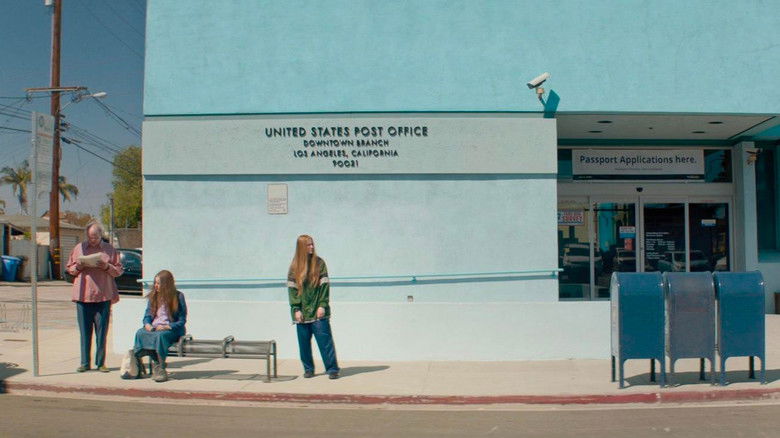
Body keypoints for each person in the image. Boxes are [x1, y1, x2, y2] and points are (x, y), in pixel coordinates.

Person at [66, 222, 123, 373]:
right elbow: (70, 269)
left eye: (96, 237)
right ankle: (84, 363)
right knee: (84, 332)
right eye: (90, 237)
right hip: (83, 296)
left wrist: (107, 266)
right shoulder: (79, 248)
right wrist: (79, 266)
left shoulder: (109, 249)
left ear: (101, 235)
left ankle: (101, 363)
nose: (93, 240)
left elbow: (118, 271)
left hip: (103, 296)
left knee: (101, 332)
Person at [288, 235, 340, 379]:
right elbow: (292, 290)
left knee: (325, 342)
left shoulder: (319, 263)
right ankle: (308, 369)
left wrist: (322, 305)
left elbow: (324, 286)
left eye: (312, 244)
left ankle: (332, 369)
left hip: (318, 311)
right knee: (304, 345)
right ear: (301, 247)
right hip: (302, 313)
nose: (312, 247)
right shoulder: (294, 267)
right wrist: (296, 309)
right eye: (308, 245)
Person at [124, 270, 187, 382]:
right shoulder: (153, 297)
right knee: (140, 333)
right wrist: (147, 324)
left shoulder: (178, 296)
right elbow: (147, 315)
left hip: (172, 329)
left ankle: (160, 368)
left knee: (160, 336)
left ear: (166, 284)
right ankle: (138, 364)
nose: (156, 286)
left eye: (159, 283)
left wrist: (167, 326)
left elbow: (182, 320)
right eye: (155, 283)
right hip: (155, 328)